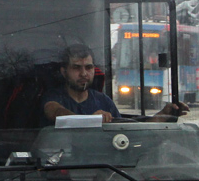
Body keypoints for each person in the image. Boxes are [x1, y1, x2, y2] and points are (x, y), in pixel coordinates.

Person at [43, 43, 188, 124]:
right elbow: (56, 112)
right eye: (76, 68)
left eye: (88, 67)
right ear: (64, 72)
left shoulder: (103, 101)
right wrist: (90, 120)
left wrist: (164, 114)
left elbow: (128, 131)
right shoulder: (53, 97)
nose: (83, 74)